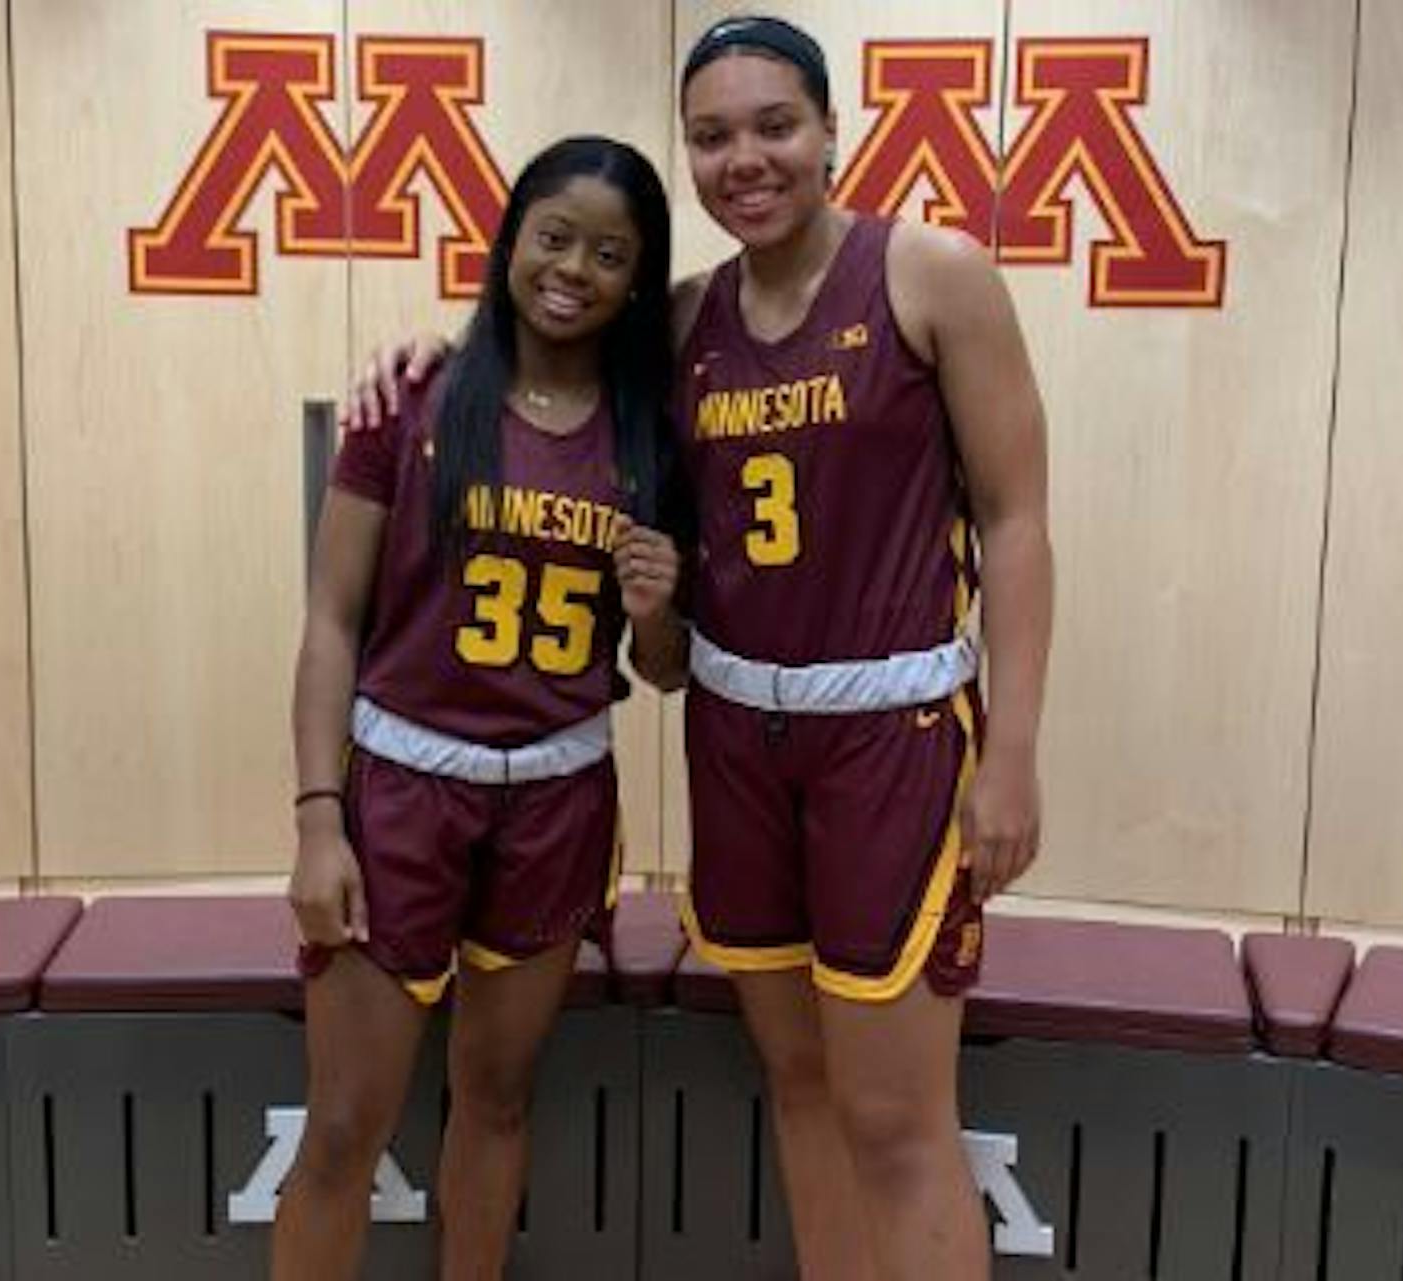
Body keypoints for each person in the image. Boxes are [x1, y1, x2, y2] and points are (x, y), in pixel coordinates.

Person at [345, 17, 1052, 1278]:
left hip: (890, 739)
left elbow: (1016, 519)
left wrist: (1015, 758)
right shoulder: (679, 324)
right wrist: (422, 361)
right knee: (798, 1083)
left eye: (775, 125)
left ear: (832, 129)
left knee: (896, 1116)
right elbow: (540, 358)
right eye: (714, 137)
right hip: (733, 735)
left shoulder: (932, 275)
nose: (747, 159)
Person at [274, 135, 683, 1281]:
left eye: (610, 252)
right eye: (554, 237)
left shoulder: (650, 433)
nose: (575, 269)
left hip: (557, 797)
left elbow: (662, 667)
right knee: (347, 1126)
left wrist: (656, 613)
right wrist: (317, 823)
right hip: (401, 790)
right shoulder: (411, 397)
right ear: (510, 240)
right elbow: (329, 623)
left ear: (638, 277)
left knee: (495, 1102)